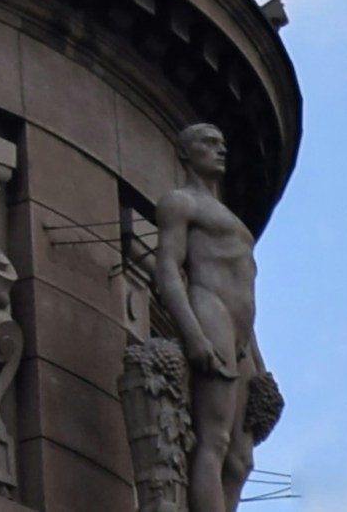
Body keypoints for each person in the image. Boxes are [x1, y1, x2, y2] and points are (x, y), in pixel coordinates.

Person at [153, 122, 263, 512]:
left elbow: (247, 295)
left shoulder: (229, 219)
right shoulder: (180, 202)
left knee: (241, 459)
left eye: (222, 142)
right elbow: (167, 268)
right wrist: (193, 333)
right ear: (185, 152)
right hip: (209, 310)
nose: (221, 149)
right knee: (214, 440)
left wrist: (260, 365)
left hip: (241, 333)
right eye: (209, 142)